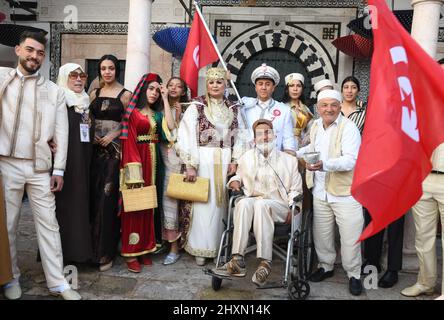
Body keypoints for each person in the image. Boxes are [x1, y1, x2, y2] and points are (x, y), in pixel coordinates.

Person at [0, 31, 80, 300]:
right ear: (18, 50)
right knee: (8, 224)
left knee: (48, 224)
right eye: (30, 50)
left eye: (40, 53)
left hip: (40, 168)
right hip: (5, 164)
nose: (35, 56)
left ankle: (58, 282)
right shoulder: (2, 79)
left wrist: (58, 169)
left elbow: (62, 133)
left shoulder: (54, 91)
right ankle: (11, 278)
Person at [213, 119, 302, 286]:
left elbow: (296, 189)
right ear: (254, 139)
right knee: (243, 203)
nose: (265, 137)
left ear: (275, 135)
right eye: (260, 134)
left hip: (280, 205)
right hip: (253, 203)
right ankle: (237, 259)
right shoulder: (246, 157)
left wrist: (295, 207)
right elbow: (239, 175)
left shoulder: (289, 160)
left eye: (268, 132)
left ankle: (265, 262)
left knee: (261, 204)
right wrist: (235, 181)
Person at [296, 89, 364, 296]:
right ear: (318, 107)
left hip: (345, 193)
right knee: (322, 234)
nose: (329, 109)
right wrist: (293, 154)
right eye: (324, 105)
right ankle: (326, 267)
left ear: (340, 106)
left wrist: (324, 165)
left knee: (350, 237)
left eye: (333, 105)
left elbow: (351, 159)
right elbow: (311, 149)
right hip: (319, 191)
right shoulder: (315, 125)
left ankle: (354, 275)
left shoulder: (349, 127)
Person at [176, 67, 245, 266]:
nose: (215, 86)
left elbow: (240, 136)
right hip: (202, 159)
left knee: (220, 205)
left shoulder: (233, 108)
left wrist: (235, 160)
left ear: (225, 85)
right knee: (202, 204)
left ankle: (218, 246)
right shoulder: (196, 106)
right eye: (211, 82)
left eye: (219, 82)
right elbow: (186, 134)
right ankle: (200, 247)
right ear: (207, 85)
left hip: (224, 161)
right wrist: (190, 164)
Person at [341, 75, 405, 288]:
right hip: (373, 172)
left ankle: (393, 269)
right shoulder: (368, 112)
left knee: (395, 223)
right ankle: (372, 262)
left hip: (396, 173)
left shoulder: (406, 114)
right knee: (371, 220)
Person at [119, 73, 176, 273]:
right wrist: (134, 171)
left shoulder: (157, 114)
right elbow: (128, 141)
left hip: (155, 163)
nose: (153, 93)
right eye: (150, 89)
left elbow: (170, 127)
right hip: (137, 161)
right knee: (134, 206)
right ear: (143, 90)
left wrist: (166, 98)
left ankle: (145, 248)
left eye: (156, 90)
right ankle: (131, 251)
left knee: (150, 206)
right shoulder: (132, 113)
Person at [89, 54, 132, 272]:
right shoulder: (94, 93)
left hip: (114, 153)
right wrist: (91, 133)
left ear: (117, 70)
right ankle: (90, 251)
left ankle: (106, 252)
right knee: (92, 198)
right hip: (92, 151)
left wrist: (113, 135)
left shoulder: (126, 95)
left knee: (108, 199)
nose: (107, 72)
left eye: (111, 68)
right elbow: (87, 117)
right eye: (103, 68)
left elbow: (129, 122)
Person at [55, 63, 94, 264]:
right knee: (65, 209)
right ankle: (61, 257)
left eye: (82, 75)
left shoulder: (85, 102)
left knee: (80, 207)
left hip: (83, 162)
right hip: (65, 165)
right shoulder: (59, 100)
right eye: (73, 76)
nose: (78, 79)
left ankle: (79, 254)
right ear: (64, 78)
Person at [160, 77, 190, 265]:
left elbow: (172, 131)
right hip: (158, 156)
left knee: (171, 200)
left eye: (178, 86)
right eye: (170, 85)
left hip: (176, 159)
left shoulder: (188, 109)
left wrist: (178, 116)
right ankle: (163, 241)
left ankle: (175, 247)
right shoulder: (156, 106)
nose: (173, 88)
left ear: (184, 91)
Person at [240, 63, 296, 155]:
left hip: (274, 158)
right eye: (260, 84)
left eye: (268, 84)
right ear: (255, 87)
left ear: (273, 87)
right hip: (249, 157)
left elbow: (288, 139)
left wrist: (289, 159)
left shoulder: (284, 110)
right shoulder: (244, 105)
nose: (263, 87)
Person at [283, 73, 313, 148]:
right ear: (287, 89)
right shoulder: (282, 108)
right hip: (285, 146)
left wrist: (305, 141)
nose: (295, 89)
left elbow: (312, 129)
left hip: (302, 148)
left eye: (298, 86)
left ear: (302, 89)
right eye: (291, 86)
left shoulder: (305, 109)